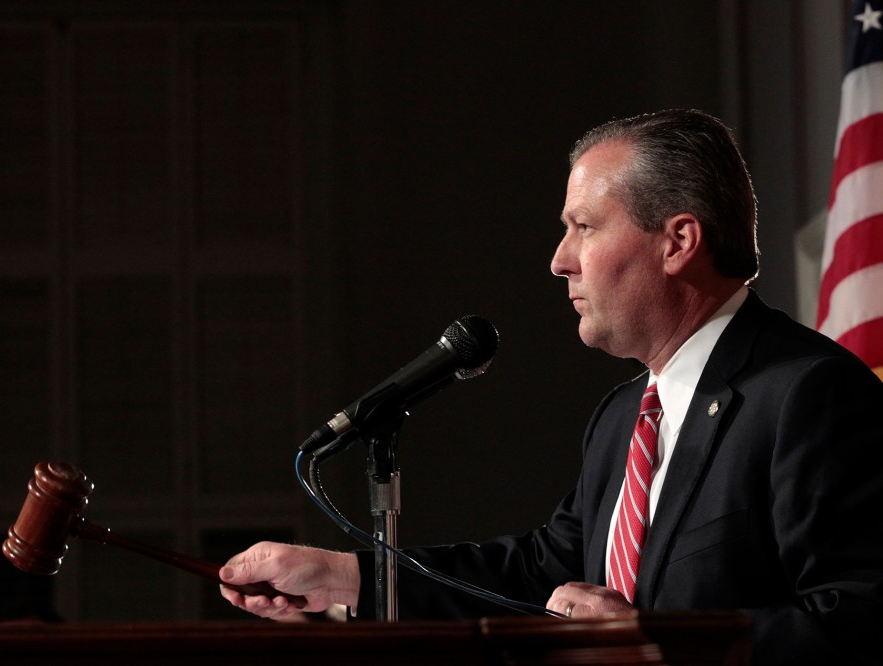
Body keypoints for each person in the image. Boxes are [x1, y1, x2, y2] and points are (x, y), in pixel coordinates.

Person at [219, 109, 883, 664]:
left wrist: (653, 648)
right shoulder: (622, 417)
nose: (560, 260)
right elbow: (539, 575)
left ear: (678, 240)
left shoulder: (807, 394)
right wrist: (347, 576)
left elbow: (860, 614)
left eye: (585, 227)